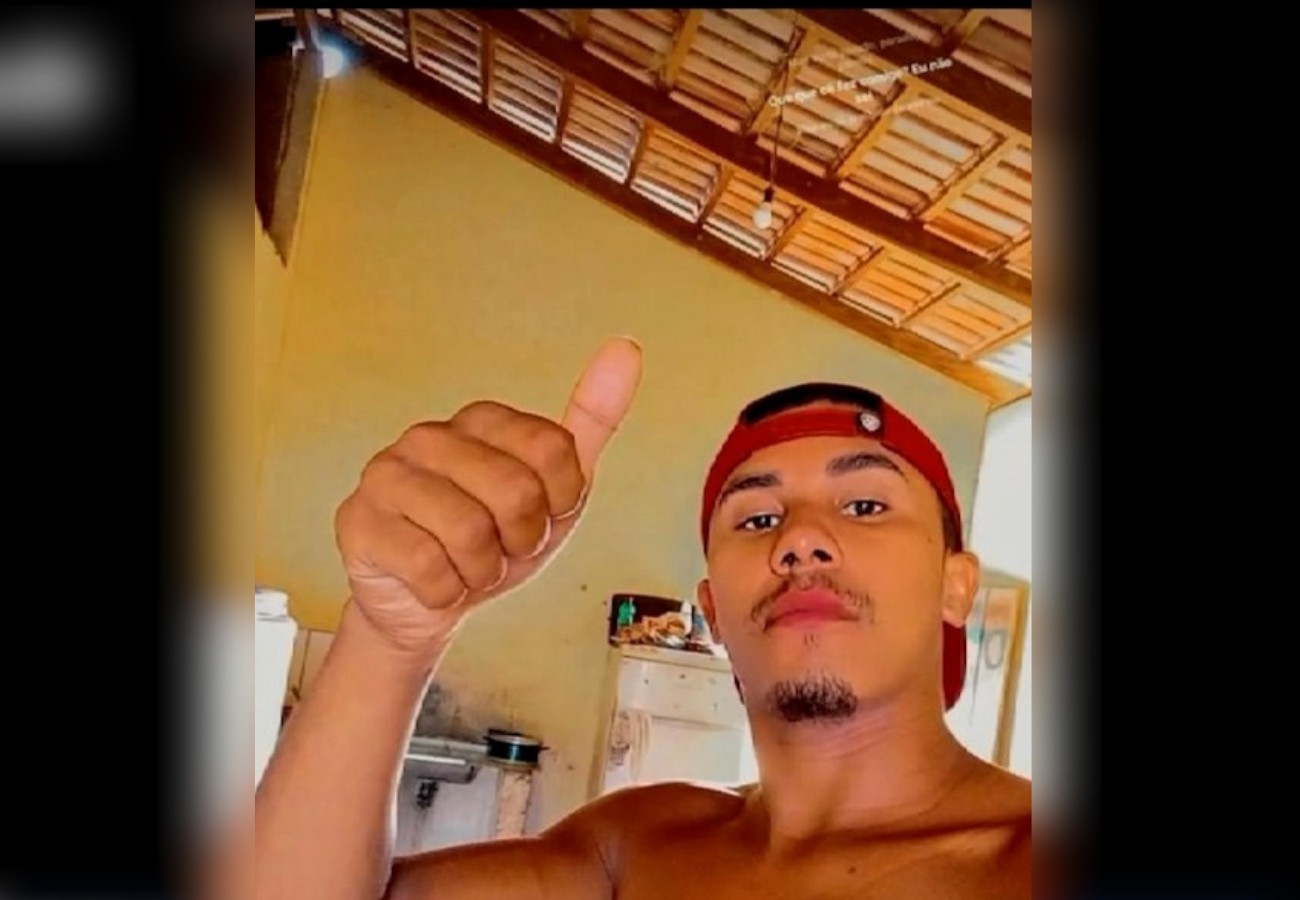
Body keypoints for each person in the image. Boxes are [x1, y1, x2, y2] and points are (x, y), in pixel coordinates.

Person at [254, 337, 1031, 900]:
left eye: (864, 505)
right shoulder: (635, 849)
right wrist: (390, 638)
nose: (800, 540)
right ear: (713, 613)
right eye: (758, 519)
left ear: (955, 586)